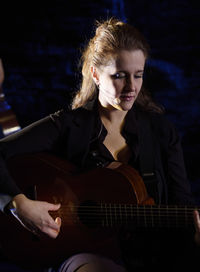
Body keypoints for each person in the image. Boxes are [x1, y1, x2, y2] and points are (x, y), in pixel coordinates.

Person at [0, 18, 200, 271]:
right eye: (119, 76)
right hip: (80, 254)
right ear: (95, 74)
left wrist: (193, 237)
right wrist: (19, 204)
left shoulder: (161, 132)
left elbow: (182, 204)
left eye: (138, 75)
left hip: (151, 256)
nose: (131, 87)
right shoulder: (67, 126)